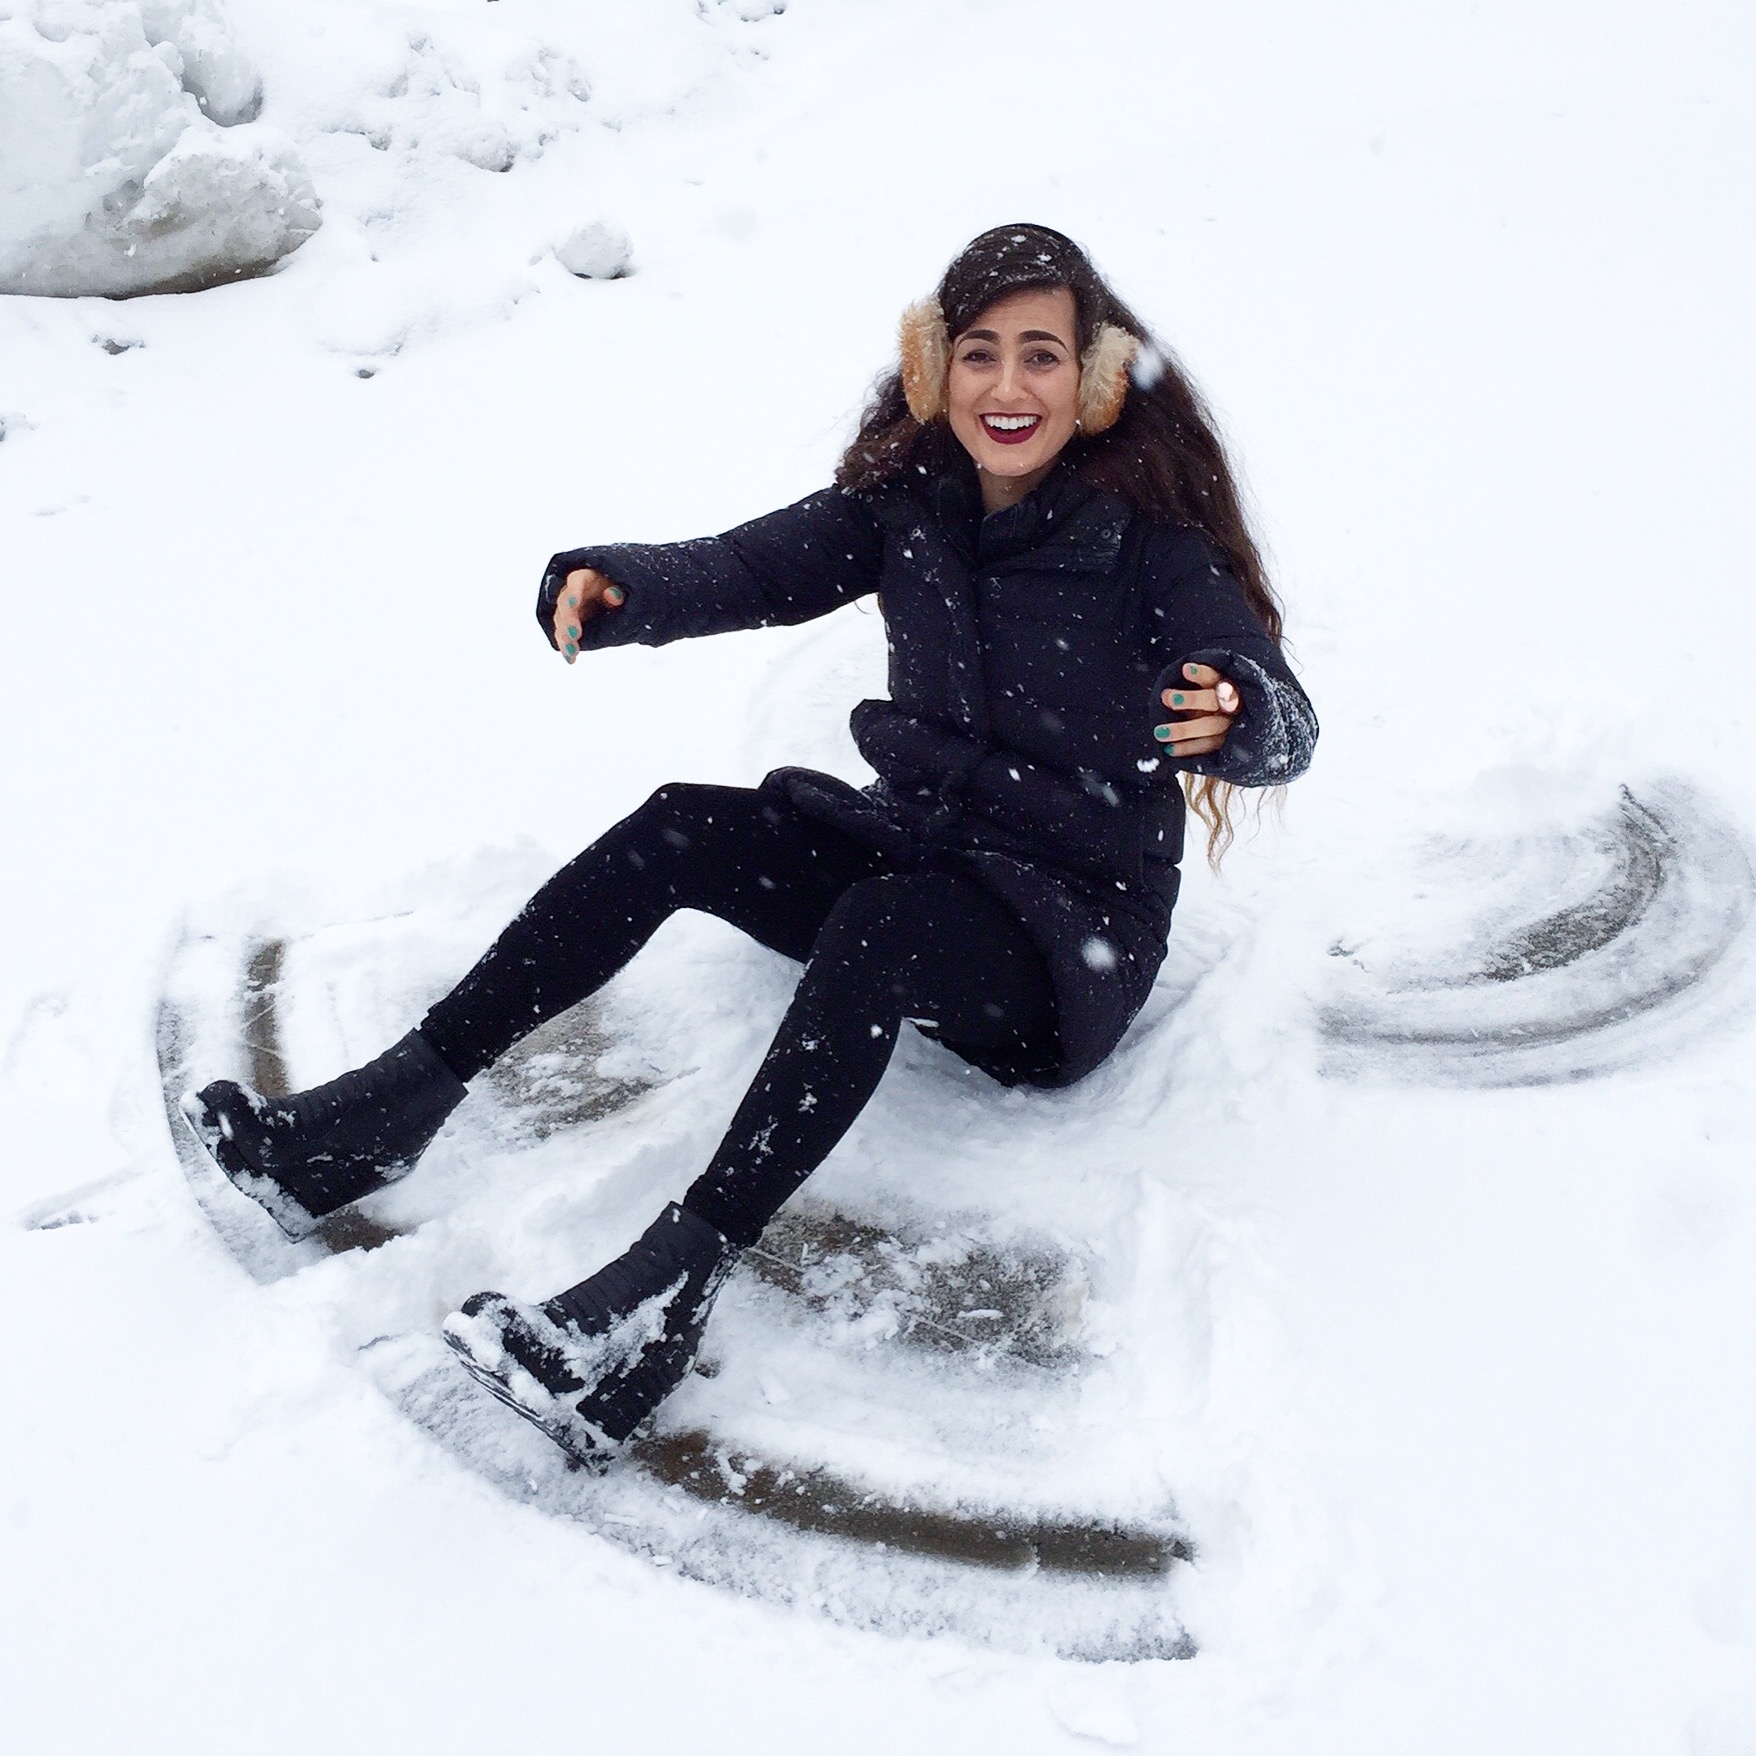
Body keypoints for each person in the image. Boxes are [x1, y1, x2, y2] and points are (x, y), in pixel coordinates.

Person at [185, 224, 1317, 1469]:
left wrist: (1240, 711)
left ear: (1095, 379)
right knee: (684, 825)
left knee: (877, 928)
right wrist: (620, 586)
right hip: (926, 852)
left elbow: (1277, 709)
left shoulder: (1147, 547)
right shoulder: (912, 505)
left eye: (1041, 356)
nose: (1008, 387)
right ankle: (382, 1115)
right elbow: (748, 566)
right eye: (980, 353)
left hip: (1061, 945)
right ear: (936, 368)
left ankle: (668, 1294)